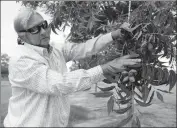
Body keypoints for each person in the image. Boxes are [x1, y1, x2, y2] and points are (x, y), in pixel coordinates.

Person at [4, 7, 141, 127]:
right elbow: (59, 84)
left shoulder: (55, 49)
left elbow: (83, 48)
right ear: (22, 36)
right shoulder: (21, 60)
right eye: (35, 29)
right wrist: (106, 68)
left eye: (44, 25)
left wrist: (114, 35)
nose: (44, 31)